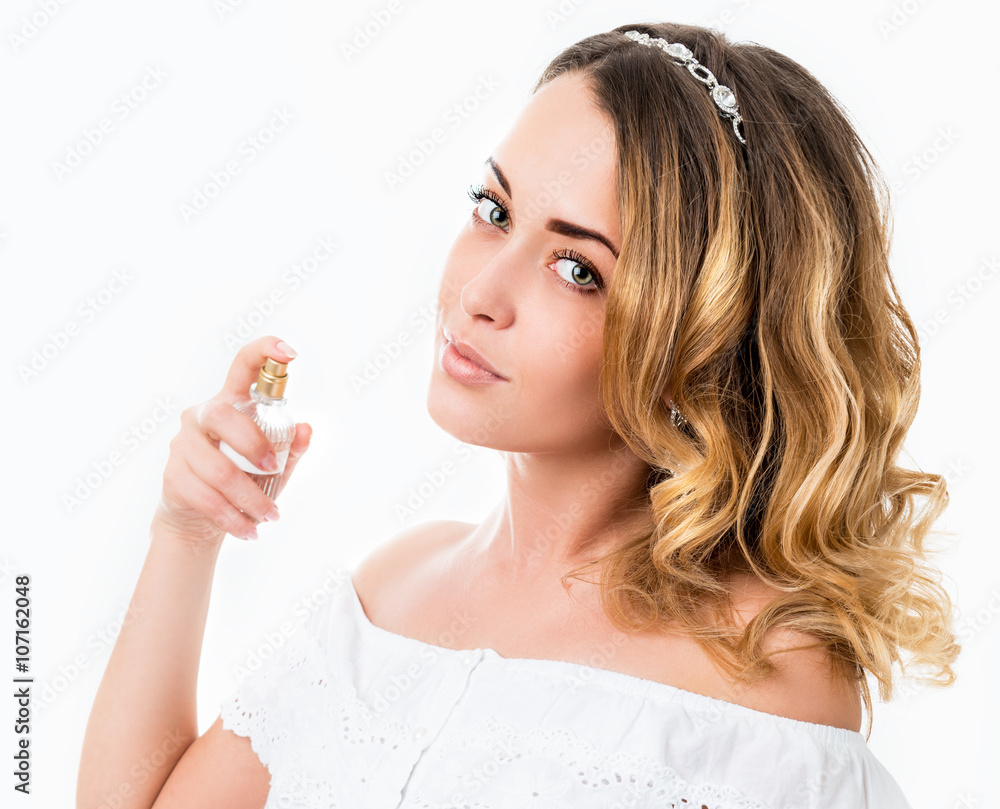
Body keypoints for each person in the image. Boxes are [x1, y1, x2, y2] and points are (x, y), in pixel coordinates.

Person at [76, 21, 960, 809]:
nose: (481, 293)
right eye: (494, 212)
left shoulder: (764, 677)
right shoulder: (392, 588)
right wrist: (186, 533)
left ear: (702, 338)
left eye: (579, 268)